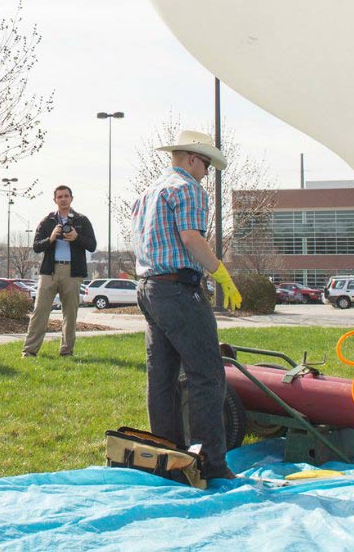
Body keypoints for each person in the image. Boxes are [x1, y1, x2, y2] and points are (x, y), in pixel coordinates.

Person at [130, 130, 242, 482]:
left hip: (148, 288)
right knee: (207, 375)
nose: (207, 172)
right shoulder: (188, 188)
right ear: (192, 158)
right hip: (179, 289)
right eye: (206, 164)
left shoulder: (149, 192)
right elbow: (191, 237)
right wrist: (220, 273)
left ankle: (166, 456)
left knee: (161, 377)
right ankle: (212, 463)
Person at [23, 185, 96, 358]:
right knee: (40, 311)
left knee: (70, 315)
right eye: (59, 197)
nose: (63, 199)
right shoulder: (47, 221)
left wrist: (77, 237)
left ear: (71, 198)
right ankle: (29, 351)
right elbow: (36, 247)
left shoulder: (82, 220)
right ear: (55, 200)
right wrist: (52, 238)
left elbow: (92, 245)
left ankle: (66, 352)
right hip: (50, 271)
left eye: (66, 196)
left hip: (73, 272)